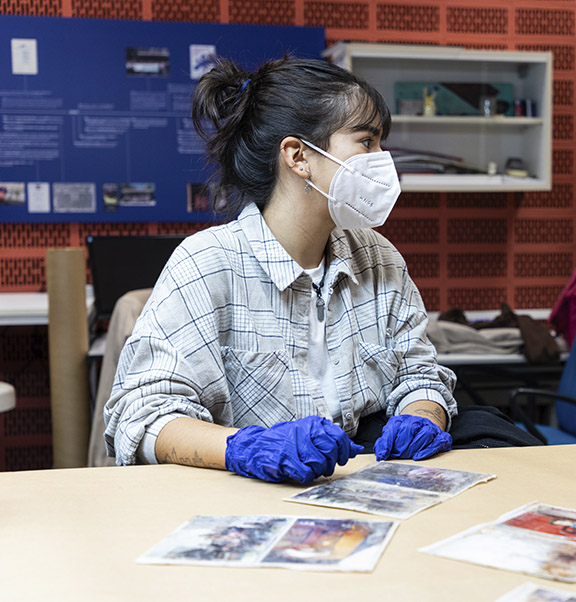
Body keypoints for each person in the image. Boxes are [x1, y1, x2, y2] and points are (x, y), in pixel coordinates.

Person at [104, 53, 540, 485]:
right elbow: (142, 415)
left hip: (367, 492)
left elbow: (420, 375)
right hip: (245, 500)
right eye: (366, 142)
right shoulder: (208, 264)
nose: (383, 161)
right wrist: (243, 448)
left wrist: (422, 416)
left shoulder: (380, 258)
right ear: (298, 157)